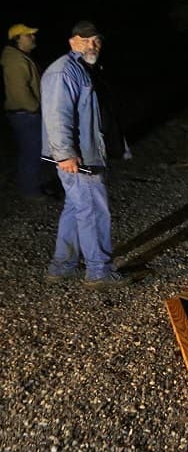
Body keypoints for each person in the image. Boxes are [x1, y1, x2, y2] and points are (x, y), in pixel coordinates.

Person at [41, 20, 133, 288]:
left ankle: (62, 265)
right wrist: (66, 153)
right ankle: (99, 271)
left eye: (96, 40)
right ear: (72, 42)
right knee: (92, 209)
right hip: (79, 158)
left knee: (76, 207)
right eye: (85, 40)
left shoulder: (87, 68)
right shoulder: (64, 72)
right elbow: (58, 116)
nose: (92, 45)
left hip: (86, 152)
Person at [2, 22, 46, 199]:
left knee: (31, 151)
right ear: (17, 39)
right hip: (25, 114)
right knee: (31, 152)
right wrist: (35, 108)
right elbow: (20, 91)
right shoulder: (15, 60)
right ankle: (30, 191)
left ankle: (30, 187)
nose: (33, 38)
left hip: (26, 113)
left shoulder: (21, 57)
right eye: (28, 35)